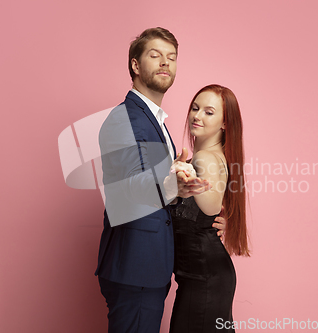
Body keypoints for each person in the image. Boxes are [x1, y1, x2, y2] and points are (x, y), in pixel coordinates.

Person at [95, 28, 225, 333]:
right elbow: (125, 188)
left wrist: (209, 220)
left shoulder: (154, 120)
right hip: (135, 266)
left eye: (172, 58)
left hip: (149, 265)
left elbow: (156, 191)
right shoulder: (124, 117)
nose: (165, 63)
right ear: (135, 66)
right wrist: (172, 185)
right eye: (155, 56)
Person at [169, 85, 250, 333]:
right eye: (195, 108)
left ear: (225, 123)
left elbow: (212, 205)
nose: (197, 116)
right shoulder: (209, 155)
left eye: (209, 112)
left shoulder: (203, 159)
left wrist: (184, 176)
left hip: (203, 276)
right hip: (203, 275)